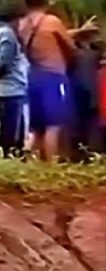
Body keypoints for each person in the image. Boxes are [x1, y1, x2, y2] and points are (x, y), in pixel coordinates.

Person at [18, 0, 97, 161]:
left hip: (33, 77)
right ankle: (51, 167)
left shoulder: (23, 24)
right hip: (54, 77)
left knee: (36, 128)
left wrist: (78, 31)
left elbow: (45, 33)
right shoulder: (52, 21)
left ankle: (30, 166)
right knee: (53, 126)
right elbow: (71, 48)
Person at [0, 2, 29, 157]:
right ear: (16, 18)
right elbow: (3, 62)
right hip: (10, 92)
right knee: (12, 138)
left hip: (7, 91)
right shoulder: (8, 34)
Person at [69, 31, 101, 159]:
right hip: (91, 93)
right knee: (92, 127)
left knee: (78, 127)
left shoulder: (73, 56)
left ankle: (79, 153)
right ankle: (91, 153)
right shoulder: (93, 56)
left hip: (76, 93)